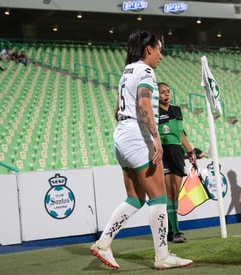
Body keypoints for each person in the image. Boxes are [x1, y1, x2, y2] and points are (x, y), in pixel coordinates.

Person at [90, 31, 193, 270]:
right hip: (138, 137)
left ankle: (104, 242)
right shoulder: (146, 71)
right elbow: (144, 104)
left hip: (122, 136)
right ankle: (163, 256)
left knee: (135, 198)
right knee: (158, 198)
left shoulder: (126, 72)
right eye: (159, 49)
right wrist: (155, 137)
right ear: (149, 49)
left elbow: (117, 110)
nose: (161, 55)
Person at [158, 82, 196, 243]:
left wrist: (190, 151)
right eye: (162, 92)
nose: (166, 94)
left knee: (176, 192)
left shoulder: (177, 110)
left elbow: (181, 134)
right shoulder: (154, 112)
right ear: (156, 95)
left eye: (168, 91)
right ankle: (174, 232)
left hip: (178, 153)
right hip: (163, 153)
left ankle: (172, 230)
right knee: (169, 194)